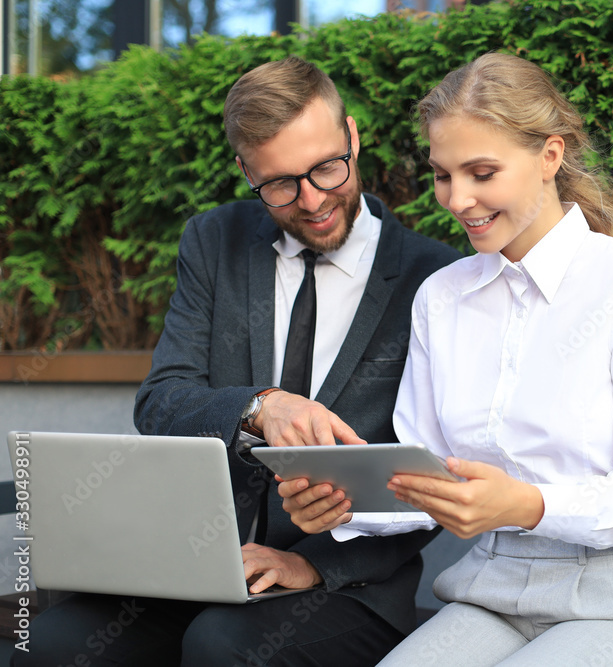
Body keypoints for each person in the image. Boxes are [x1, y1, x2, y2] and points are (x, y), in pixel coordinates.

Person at [14, 56, 460, 667]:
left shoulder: (433, 278)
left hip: (343, 585)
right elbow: (161, 401)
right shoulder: (212, 241)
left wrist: (308, 564)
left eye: (327, 168)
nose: (312, 201)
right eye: (279, 184)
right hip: (192, 567)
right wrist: (259, 408)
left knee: (222, 645)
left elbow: (438, 473)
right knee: (49, 646)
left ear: (352, 137)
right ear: (246, 171)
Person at [280, 52, 613, 665]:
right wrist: (341, 505)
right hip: (494, 592)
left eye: (482, 173)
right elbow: (426, 475)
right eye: (442, 175)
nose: (458, 199)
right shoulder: (441, 298)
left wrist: (528, 505)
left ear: (550, 156)